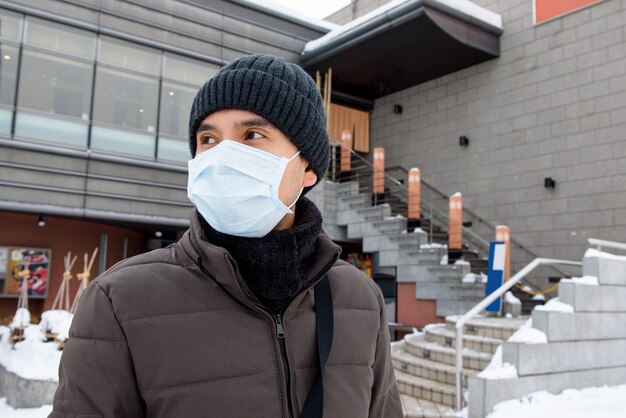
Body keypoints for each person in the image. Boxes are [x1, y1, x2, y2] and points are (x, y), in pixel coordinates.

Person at [49, 54, 402, 418]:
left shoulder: (358, 298)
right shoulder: (120, 300)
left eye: (252, 134)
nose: (223, 156)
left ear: (308, 167)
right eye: (208, 139)